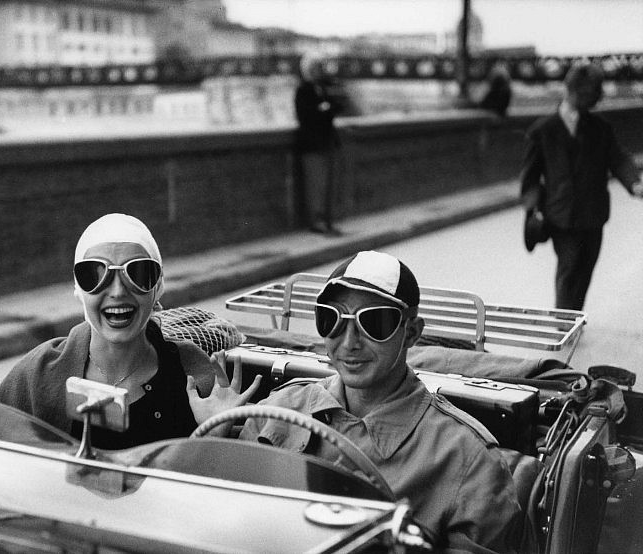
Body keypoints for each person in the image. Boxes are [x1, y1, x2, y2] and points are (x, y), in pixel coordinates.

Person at [233, 251, 522, 552]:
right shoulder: (279, 409)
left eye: (374, 323)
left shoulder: (467, 459)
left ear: (411, 333)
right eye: (332, 319)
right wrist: (215, 431)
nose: (348, 343)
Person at [0, 213, 259, 449]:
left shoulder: (194, 374)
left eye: (138, 273)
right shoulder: (37, 375)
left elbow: (198, 489)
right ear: (79, 289)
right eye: (95, 274)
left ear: (157, 287)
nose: (118, 291)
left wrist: (212, 436)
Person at [520, 62, 643, 310]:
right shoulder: (542, 131)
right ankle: (564, 324)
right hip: (561, 216)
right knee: (569, 268)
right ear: (573, 91)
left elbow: (618, 157)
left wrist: (635, 183)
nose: (597, 100)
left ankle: (573, 317)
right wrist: (533, 210)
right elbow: (530, 177)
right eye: (592, 93)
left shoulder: (601, 128)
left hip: (594, 215)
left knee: (585, 269)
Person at [294, 52, 344, 235]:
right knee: (315, 184)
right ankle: (316, 221)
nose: (319, 71)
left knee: (327, 185)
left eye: (320, 68)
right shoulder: (303, 90)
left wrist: (325, 109)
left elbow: (334, 107)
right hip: (312, 145)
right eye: (315, 68)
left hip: (326, 143)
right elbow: (306, 116)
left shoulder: (321, 88)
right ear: (308, 70)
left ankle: (327, 220)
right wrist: (324, 110)